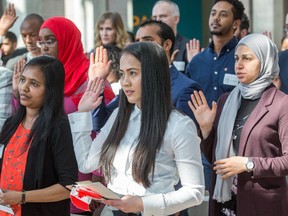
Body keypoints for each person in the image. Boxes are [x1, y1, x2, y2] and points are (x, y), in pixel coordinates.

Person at [69, 42, 205, 215]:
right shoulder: (119, 115)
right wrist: (82, 113)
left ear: (153, 75)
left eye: (132, 73)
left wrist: (143, 203)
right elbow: (87, 164)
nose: (125, 82)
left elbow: (195, 193)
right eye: (122, 74)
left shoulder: (179, 125)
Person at [189, 33, 288, 216]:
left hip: (262, 204)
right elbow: (216, 159)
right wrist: (206, 130)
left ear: (265, 61)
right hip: (226, 203)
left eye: (247, 58)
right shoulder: (227, 100)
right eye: (236, 58)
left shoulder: (282, 104)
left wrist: (248, 164)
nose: (239, 65)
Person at [0, 56, 78, 216]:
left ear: (50, 89)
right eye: (23, 80)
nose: (24, 88)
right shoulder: (11, 124)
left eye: (34, 84)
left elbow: (68, 186)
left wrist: (22, 197)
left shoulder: (58, 127)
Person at [185, 0, 244, 190]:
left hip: (237, 146)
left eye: (223, 14)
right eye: (213, 13)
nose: (215, 18)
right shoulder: (197, 62)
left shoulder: (244, 57)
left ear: (236, 23)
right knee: (208, 202)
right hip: (204, 148)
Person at [152, 0, 189, 73]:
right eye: (155, 17)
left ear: (176, 19)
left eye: (163, 16)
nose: (158, 20)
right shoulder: (149, 45)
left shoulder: (188, 46)